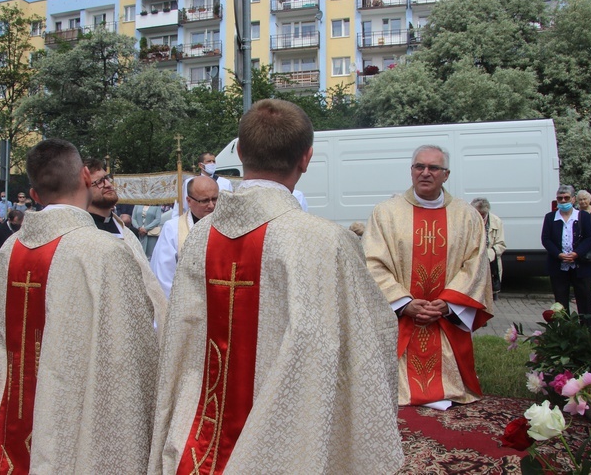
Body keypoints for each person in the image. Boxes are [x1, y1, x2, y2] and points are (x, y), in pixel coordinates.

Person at [148, 99, 403, 473]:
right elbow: (368, 341)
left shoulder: (200, 236)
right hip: (288, 440)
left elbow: (181, 338)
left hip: (199, 434)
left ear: (239, 151)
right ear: (307, 158)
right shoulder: (326, 241)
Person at [0, 139, 159, 473]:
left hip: (10, 414)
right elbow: (131, 357)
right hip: (73, 417)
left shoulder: (9, 251)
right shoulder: (104, 252)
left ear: (35, 195)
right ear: (86, 176)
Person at [364, 144, 494, 409]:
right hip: (402, 318)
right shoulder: (386, 212)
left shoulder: (467, 216)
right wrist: (404, 303)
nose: (425, 173)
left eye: (433, 167)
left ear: (446, 175)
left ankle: (449, 387)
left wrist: (447, 303)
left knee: (451, 390)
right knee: (389, 394)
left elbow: (476, 264)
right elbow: (372, 262)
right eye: (419, 167)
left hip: (443, 317)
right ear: (411, 172)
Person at [84, 157, 166, 328]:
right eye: (98, 182)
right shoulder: (84, 234)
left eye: (107, 178)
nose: (107, 184)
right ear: (82, 190)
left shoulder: (126, 233)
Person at [150, 176, 218, 298]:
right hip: (185, 303)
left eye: (215, 199)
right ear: (189, 201)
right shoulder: (173, 228)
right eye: (205, 201)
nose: (212, 205)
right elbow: (164, 275)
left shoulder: (227, 227)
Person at [542, 185, 591, 327]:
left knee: (585, 300)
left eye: (566, 198)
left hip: (580, 264)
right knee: (561, 301)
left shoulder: (582, 216)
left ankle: (587, 331)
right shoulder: (550, 217)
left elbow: (590, 238)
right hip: (559, 266)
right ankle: (565, 331)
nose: (563, 201)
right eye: (560, 198)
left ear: (573, 199)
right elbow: (546, 239)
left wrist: (577, 253)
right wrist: (559, 254)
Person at [174, 151, 234, 216]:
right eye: (209, 161)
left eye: (213, 161)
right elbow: (183, 206)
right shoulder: (190, 182)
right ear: (200, 165)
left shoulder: (225, 183)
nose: (212, 164)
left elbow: (230, 205)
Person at [471, 197, 507, 300]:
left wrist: (487, 254)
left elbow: (501, 245)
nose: (480, 217)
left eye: (482, 214)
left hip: (490, 265)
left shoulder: (496, 221)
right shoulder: (467, 220)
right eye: (477, 213)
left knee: (489, 297)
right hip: (472, 263)